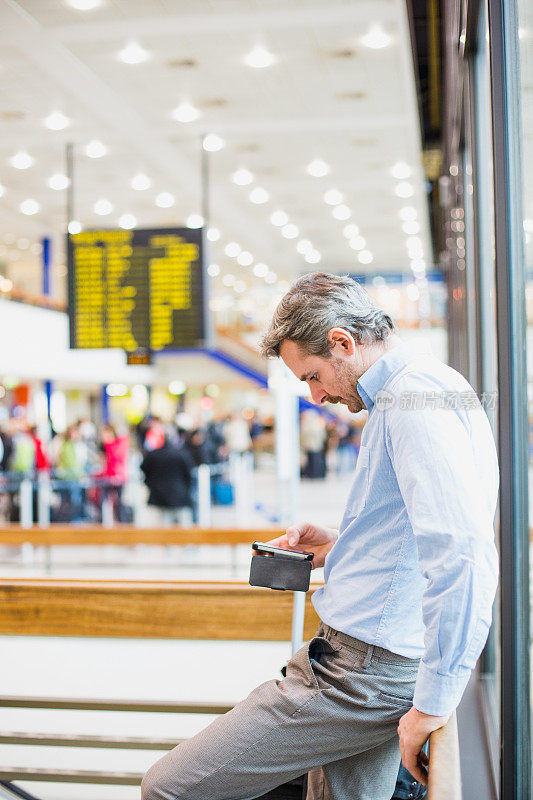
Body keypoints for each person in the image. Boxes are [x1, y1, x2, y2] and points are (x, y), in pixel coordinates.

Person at [142, 272, 499, 800]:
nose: (316, 395)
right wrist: (341, 545)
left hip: (359, 676)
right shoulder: (424, 389)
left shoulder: (409, 403)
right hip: (371, 663)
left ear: (342, 342)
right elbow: (417, 532)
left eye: (313, 376)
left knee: (169, 788)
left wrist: (434, 699)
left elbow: (462, 554)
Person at [140, 432, 194, 526]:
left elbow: (144, 470)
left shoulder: (153, 455)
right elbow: (188, 473)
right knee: (182, 526)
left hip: (159, 496)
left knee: (162, 526)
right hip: (179, 495)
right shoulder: (182, 454)